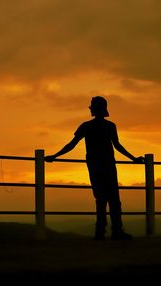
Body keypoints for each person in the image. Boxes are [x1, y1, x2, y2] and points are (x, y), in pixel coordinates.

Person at [45, 96, 144, 240]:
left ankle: (101, 232)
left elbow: (71, 144)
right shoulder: (110, 126)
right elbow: (117, 146)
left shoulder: (86, 126)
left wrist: (55, 156)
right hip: (108, 165)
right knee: (114, 200)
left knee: (101, 199)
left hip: (95, 166)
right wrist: (133, 158)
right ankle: (116, 231)